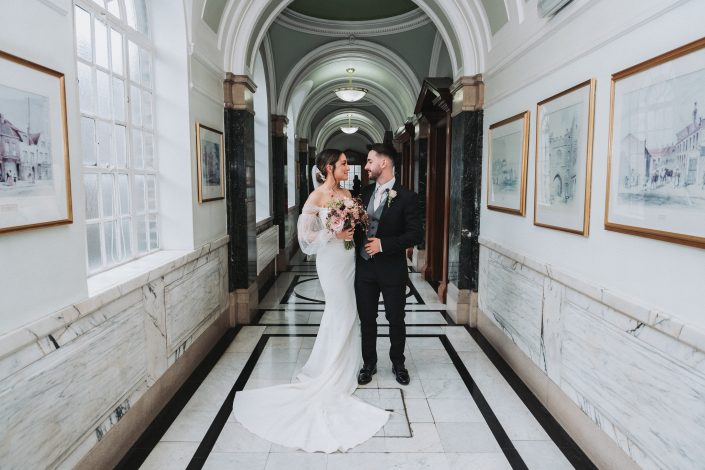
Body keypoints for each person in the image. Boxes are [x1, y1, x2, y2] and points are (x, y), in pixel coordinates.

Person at [233, 148, 389, 453]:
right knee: (340, 308)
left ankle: (347, 364)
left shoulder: (347, 193)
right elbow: (305, 240)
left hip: (349, 262)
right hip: (330, 261)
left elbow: (359, 225)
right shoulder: (316, 197)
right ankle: (331, 369)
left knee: (349, 312)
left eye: (347, 163)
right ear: (329, 167)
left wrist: (355, 224)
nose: (347, 168)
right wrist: (333, 233)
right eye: (343, 164)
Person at [355, 143, 422, 387]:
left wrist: (384, 244)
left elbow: (415, 234)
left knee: (396, 319)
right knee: (367, 319)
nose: (366, 166)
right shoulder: (363, 193)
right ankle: (368, 363)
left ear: (384, 163)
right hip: (364, 269)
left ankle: (398, 363)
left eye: (370, 161)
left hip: (392, 269)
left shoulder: (408, 197)